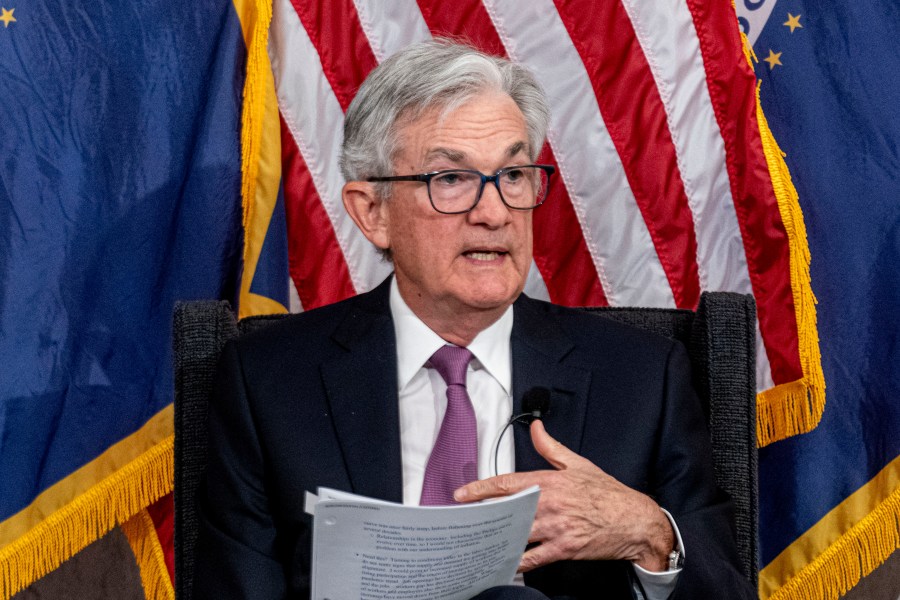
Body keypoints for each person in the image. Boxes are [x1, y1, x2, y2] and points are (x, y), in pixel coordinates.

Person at [193, 40, 756, 599]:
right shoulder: (268, 382)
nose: (493, 213)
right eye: (451, 180)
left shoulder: (640, 378)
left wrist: (649, 533)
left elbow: (726, 591)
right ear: (373, 212)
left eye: (513, 175)